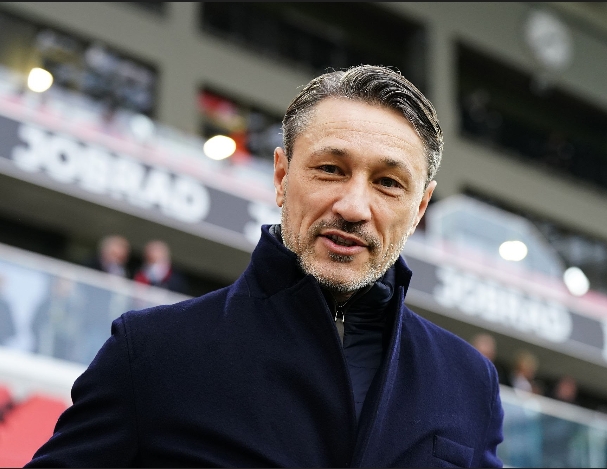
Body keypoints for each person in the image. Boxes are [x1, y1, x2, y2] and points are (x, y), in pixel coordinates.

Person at [27, 65, 504, 467]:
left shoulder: (470, 382)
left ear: (419, 209)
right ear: (281, 176)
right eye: (330, 169)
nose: (354, 206)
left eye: (388, 183)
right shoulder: (150, 351)